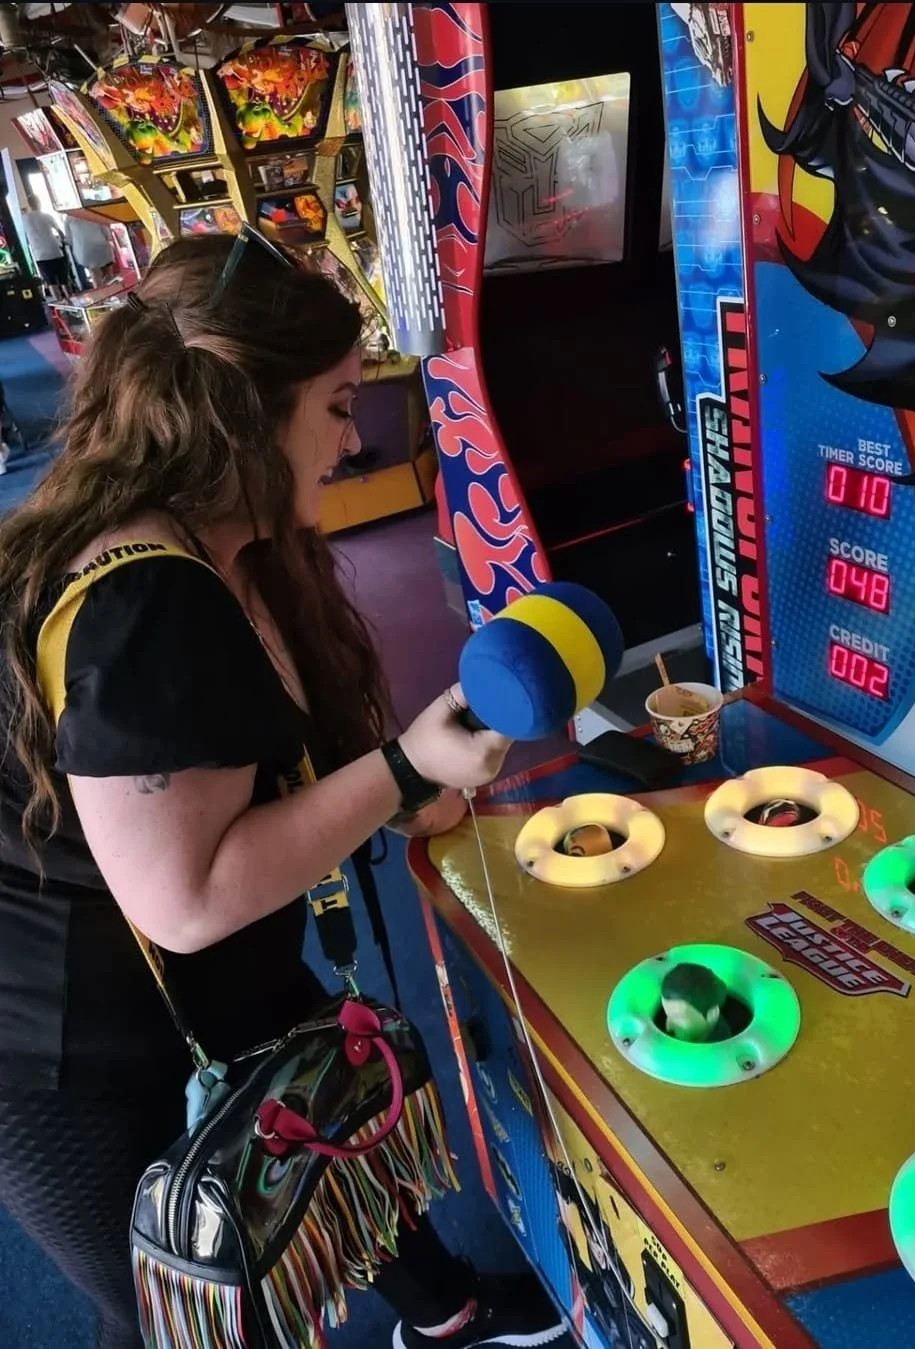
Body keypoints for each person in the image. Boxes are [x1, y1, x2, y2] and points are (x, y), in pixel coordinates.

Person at [0, 233, 566, 1349]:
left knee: (328, 1111)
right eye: (336, 407)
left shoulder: (233, 541)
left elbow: (272, 760)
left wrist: (397, 787)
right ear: (241, 414)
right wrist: (400, 768)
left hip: (212, 980)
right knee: (185, 1304)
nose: (352, 439)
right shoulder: (146, 605)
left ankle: (442, 1309)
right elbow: (185, 898)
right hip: (68, 1048)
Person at [21, 194, 69, 299]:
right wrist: (63, 241)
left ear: (29, 204)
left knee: (51, 282)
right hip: (55, 251)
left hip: (40, 255)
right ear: (39, 203)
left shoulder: (24, 219)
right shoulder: (47, 216)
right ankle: (70, 300)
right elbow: (60, 232)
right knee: (64, 280)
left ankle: (59, 303)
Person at [63, 212, 115, 290]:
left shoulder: (69, 219)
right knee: (108, 274)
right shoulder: (91, 213)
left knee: (95, 276)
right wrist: (108, 239)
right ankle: (112, 290)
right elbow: (105, 230)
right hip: (101, 245)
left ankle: (101, 293)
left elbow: (69, 239)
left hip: (85, 250)